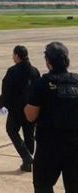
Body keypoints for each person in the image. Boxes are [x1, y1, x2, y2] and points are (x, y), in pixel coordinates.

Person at [25, 42, 78, 193]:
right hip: (74, 145)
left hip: (49, 146)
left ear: (48, 61)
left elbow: (31, 116)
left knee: (43, 185)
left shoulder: (41, 84)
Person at [0, 45, 40, 172]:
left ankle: (26, 156)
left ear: (17, 56)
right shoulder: (34, 71)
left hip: (16, 109)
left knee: (11, 130)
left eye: (13, 55)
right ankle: (28, 163)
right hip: (31, 108)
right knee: (29, 134)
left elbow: (6, 91)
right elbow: (38, 90)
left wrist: (0, 105)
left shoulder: (12, 71)